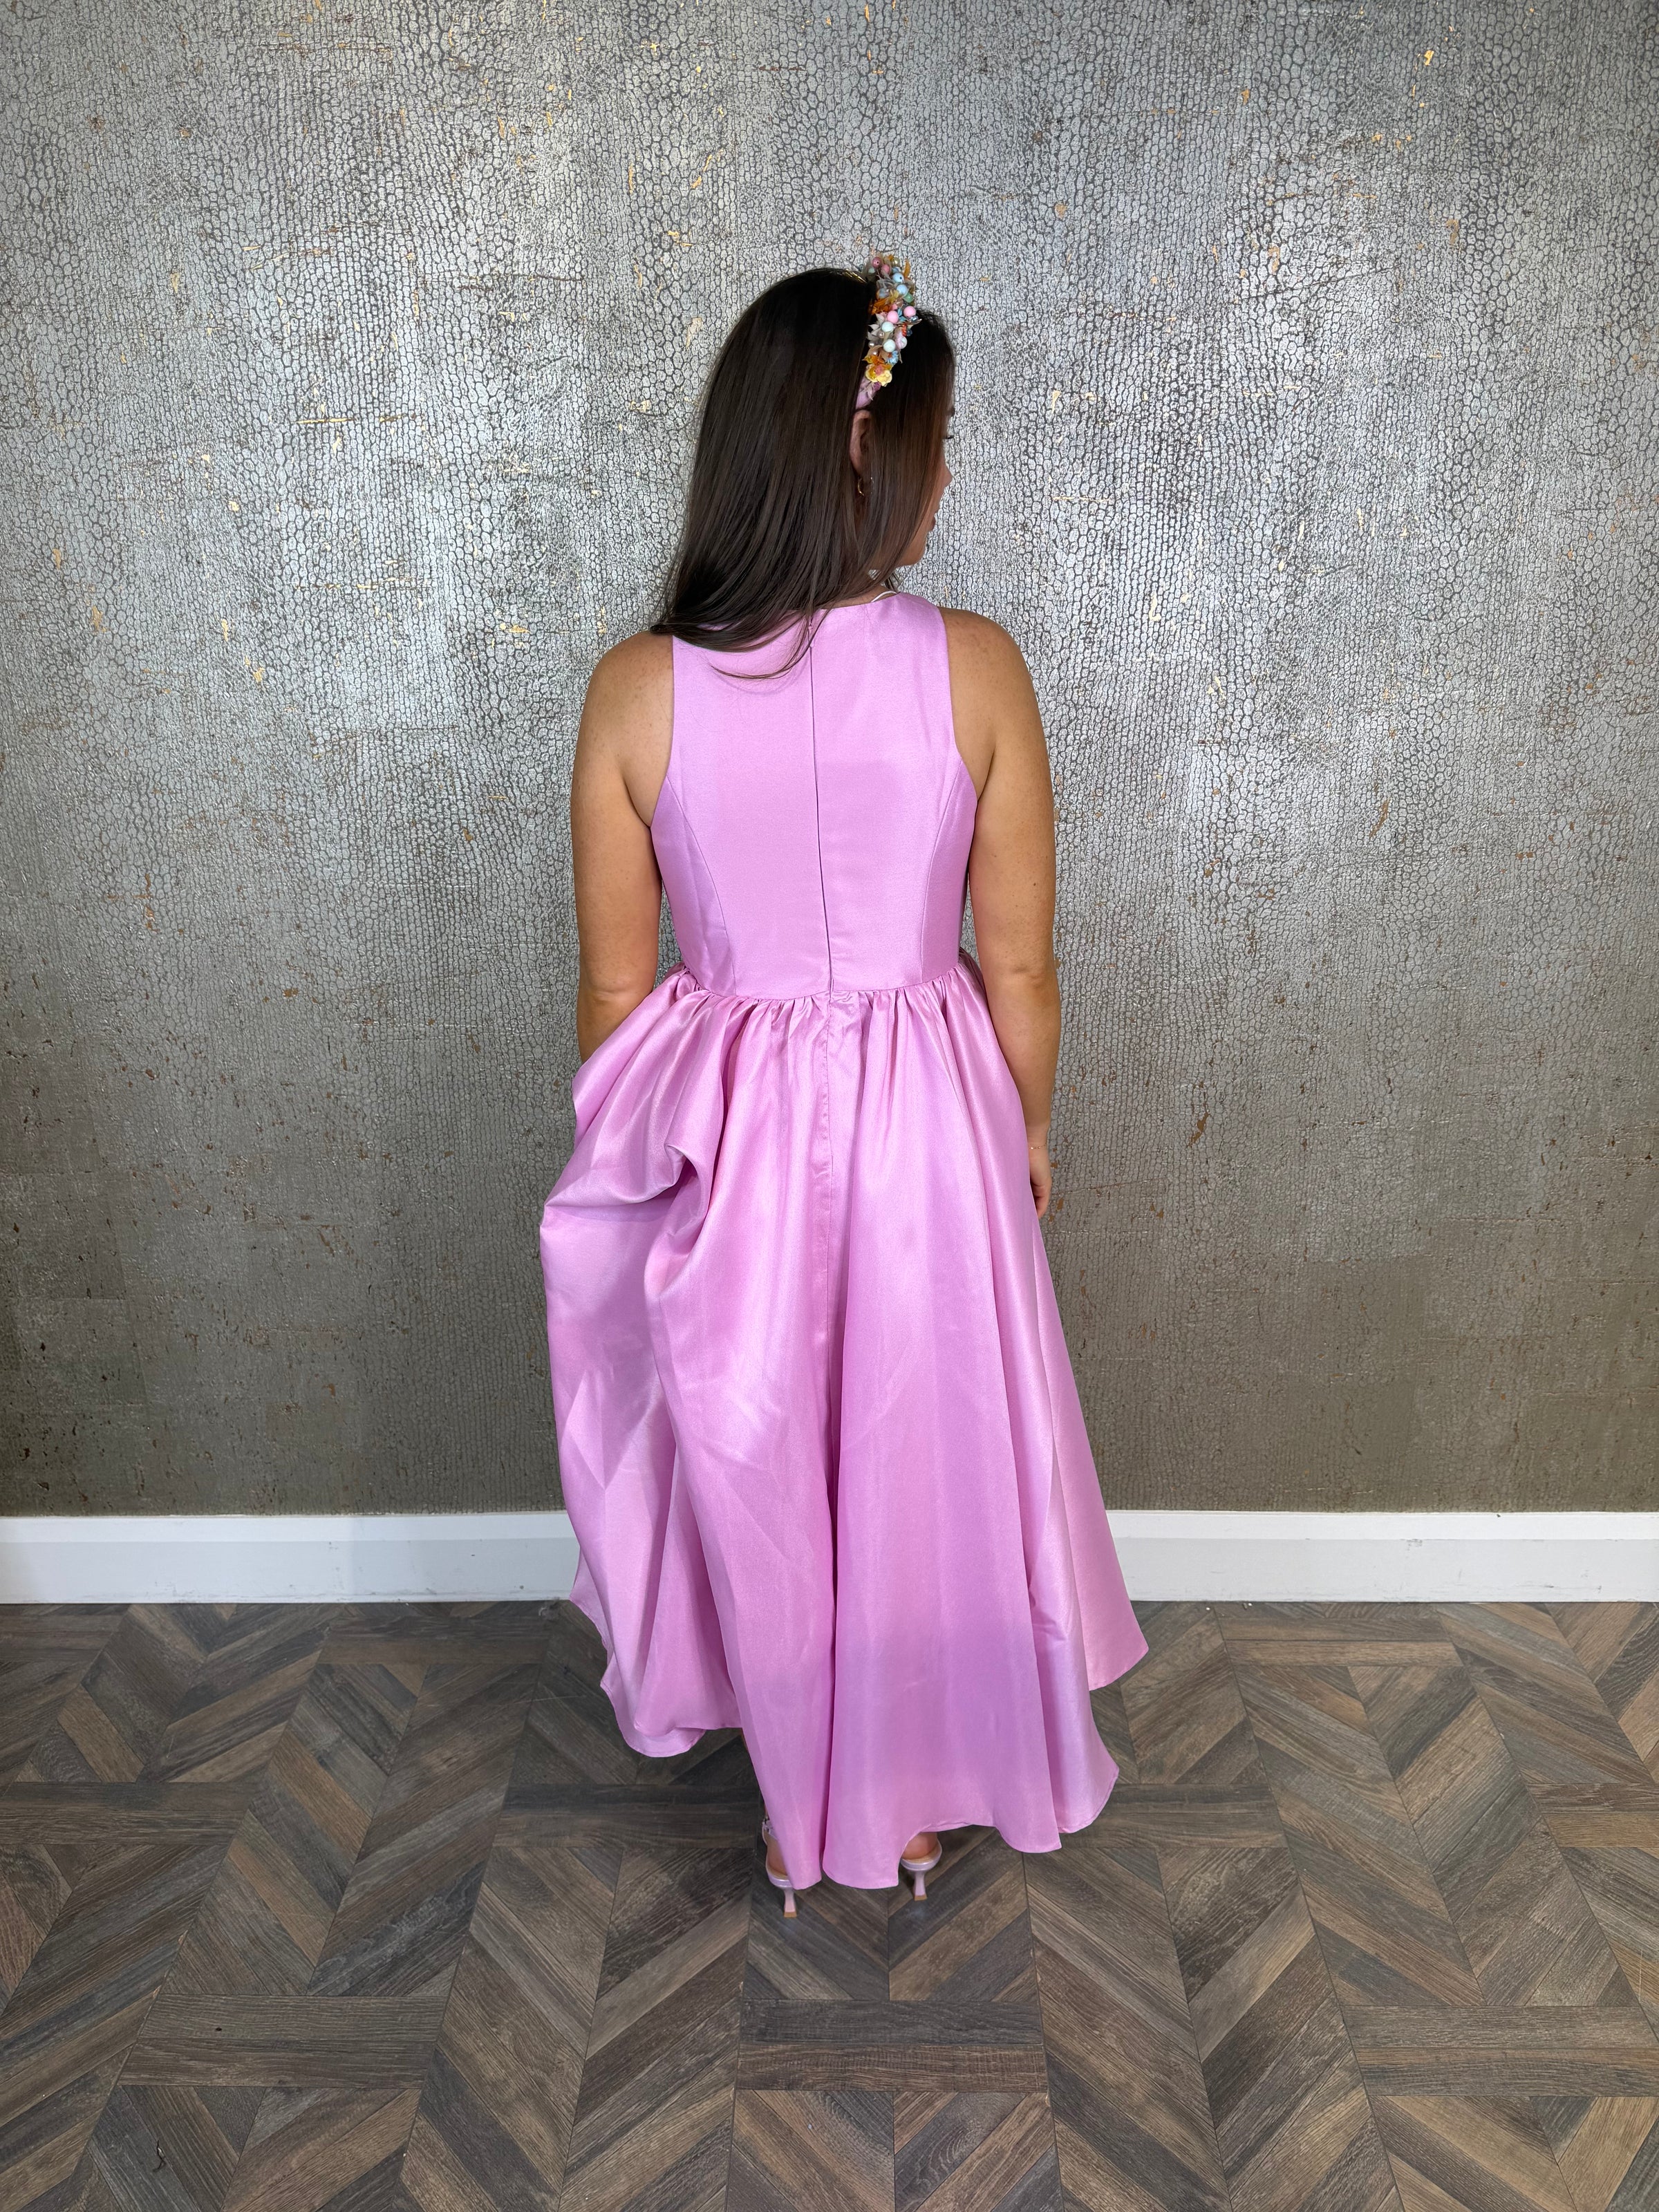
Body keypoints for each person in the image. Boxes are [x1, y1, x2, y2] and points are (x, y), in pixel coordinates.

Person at [540, 255, 1147, 1915]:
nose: (951, 472)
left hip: (730, 1125)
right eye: (939, 441)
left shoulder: (636, 689)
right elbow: (1020, 968)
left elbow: (617, 988)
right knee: (912, 1444)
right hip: (928, 1123)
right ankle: (901, 1793)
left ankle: (793, 1785)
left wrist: (632, 1148)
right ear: (871, 457)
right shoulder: (978, 668)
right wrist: (1026, 1124)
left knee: (756, 1445)